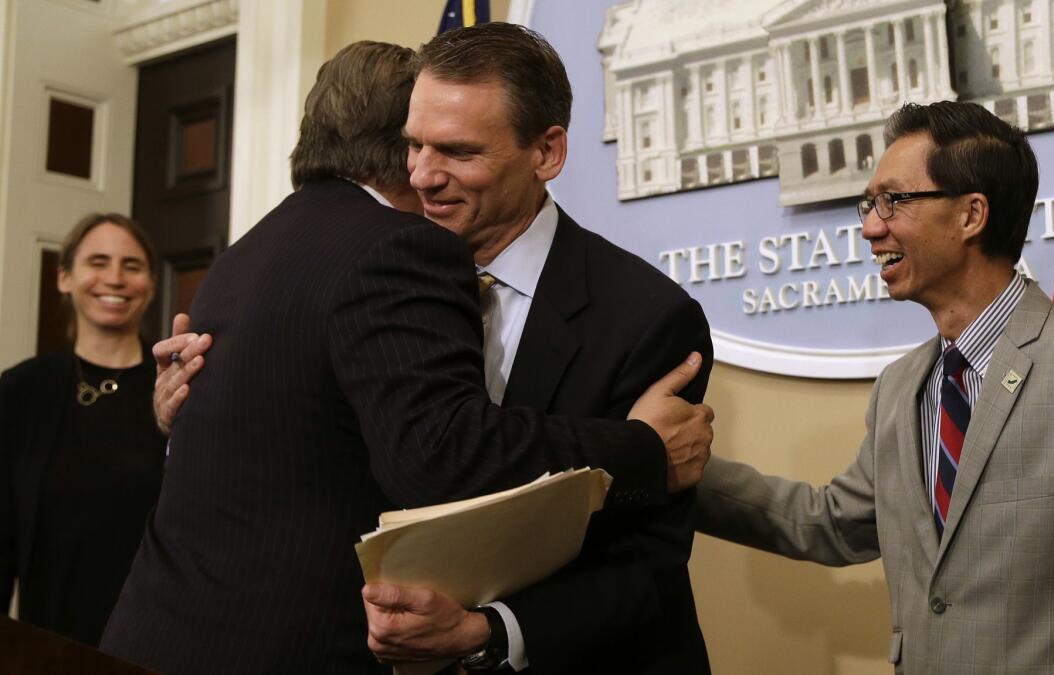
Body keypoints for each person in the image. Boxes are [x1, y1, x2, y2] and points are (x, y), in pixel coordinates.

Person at [99, 41, 712, 675]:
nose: (421, 174)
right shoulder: (363, 258)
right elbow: (395, 449)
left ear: (547, 152)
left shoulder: (647, 316)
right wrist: (186, 408)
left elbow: (649, 560)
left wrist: (492, 632)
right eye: (413, 145)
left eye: (458, 152)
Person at [695, 101, 1054, 673]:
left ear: (971, 215)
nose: (869, 226)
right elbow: (834, 524)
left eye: (893, 201)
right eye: (869, 204)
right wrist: (677, 471)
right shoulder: (899, 388)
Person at [0, 214, 166, 647]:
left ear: (150, 283)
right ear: (64, 278)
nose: (115, 278)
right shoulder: (21, 389)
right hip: (47, 640)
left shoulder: (177, 388)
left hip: (154, 639)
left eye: (131, 266)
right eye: (97, 261)